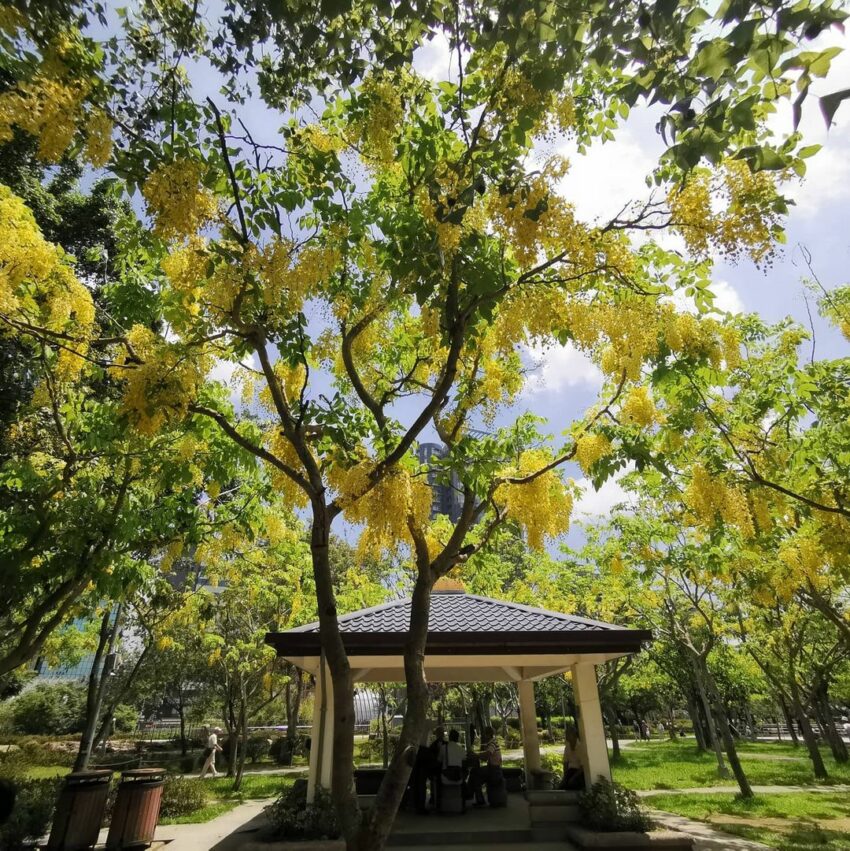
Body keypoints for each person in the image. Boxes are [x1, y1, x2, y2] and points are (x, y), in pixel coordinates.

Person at [561, 726, 586, 790]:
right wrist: (565, 777)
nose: (566, 736)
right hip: (570, 771)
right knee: (562, 786)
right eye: (566, 734)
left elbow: (582, 767)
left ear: (574, 735)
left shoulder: (580, 747)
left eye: (568, 734)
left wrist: (573, 778)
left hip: (579, 773)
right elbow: (565, 763)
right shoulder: (567, 747)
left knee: (572, 784)